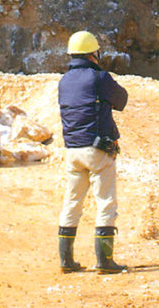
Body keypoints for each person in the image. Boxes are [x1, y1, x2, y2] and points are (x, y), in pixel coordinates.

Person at [57, 30, 129, 274]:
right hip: (97, 150)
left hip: (73, 151)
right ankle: (105, 261)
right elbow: (122, 100)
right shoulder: (99, 77)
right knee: (106, 202)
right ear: (93, 54)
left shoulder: (63, 81)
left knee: (72, 202)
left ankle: (66, 261)